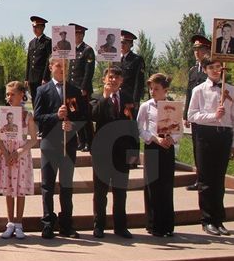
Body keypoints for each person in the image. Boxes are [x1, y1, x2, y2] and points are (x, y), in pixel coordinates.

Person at [34, 57, 88, 239]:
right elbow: (38, 117)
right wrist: (55, 116)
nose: (62, 69)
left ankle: (66, 224)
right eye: (58, 65)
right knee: (47, 185)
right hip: (50, 142)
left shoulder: (74, 91)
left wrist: (72, 125)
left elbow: (82, 116)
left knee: (66, 185)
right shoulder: (42, 90)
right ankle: (48, 223)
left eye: (65, 65)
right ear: (51, 67)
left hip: (68, 143)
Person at [90, 66, 138, 239]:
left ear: (121, 81)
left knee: (120, 191)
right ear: (104, 79)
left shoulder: (127, 98)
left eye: (117, 78)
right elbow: (94, 116)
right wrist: (105, 96)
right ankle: (99, 226)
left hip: (122, 152)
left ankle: (120, 226)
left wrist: (134, 152)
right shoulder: (96, 97)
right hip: (102, 152)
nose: (113, 80)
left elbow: (132, 125)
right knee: (100, 192)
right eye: (110, 77)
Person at [187, 56, 234, 236]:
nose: (216, 70)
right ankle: (207, 220)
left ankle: (218, 219)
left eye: (219, 67)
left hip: (224, 135)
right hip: (205, 135)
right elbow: (192, 115)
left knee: (219, 179)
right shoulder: (199, 90)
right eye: (212, 67)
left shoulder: (230, 89)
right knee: (206, 179)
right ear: (205, 69)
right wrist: (213, 116)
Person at [138, 73, 180, 237]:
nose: (152, 91)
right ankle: (153, 224)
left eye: (156, 88)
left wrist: (172, 139)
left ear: (165, 90)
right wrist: (154, 138)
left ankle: (167, 224)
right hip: (152, 147)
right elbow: (140, 128)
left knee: (166, 185)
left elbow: (179, 128)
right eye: (151, 88)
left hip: (167, 148)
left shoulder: (173, 105)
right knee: (152, 186)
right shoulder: (146, 106)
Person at [0, 82, 36, 240]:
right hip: (7, 156)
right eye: (7, 94)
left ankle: (19, 223)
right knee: (8, 189)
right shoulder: (4, 114)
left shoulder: (27, 115)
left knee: (20, 189)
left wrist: (20, 151)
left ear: (21, 95)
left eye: (12, 94)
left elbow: (33, 139)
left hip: (21, 157)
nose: (9, 97)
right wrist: (6, 153)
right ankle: (10, 222)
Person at [184, 35, 211, 191]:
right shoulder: (193, 70)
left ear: (207, 50)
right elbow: (189, 93)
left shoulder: (212, 70)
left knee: (208, 149)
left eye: (199, 48)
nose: (196, 52)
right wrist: (185, 114)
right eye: (194, 49)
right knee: (197, 147)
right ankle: (200, 179)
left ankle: (209, 179)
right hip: (195, 115)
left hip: (208, 116)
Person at [69, 23, 96, 151]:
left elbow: (88, 71)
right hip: (72, 90)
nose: (74, 36)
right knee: (75, 115)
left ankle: (89, 142)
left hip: (82, 90)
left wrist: (84, 88)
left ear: (81, 35)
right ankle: (81, 141)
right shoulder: (71, 50)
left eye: (76, 34)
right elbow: (70, 71)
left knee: (85, 117)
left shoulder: (87, 50)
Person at [116, 30, 145, 114]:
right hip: (117, 96)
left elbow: (139, 82)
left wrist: (136, 100)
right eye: (120, 42)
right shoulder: (115, 59)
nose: (122, 45)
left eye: (125, 43)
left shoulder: (137, 60)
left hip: (129, 97)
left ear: (131, 44)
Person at [26, 16, 51, 100]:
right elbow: (29, 61)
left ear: (43, 27)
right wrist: (27, 78)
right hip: (32, 78)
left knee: (42, 100)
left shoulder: (47, 42)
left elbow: (49, 61)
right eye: (33, 27)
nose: (34, 29)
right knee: (34, 99)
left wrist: (45, 77)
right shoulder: (31, 42)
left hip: (41, 77)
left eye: (37, 27)